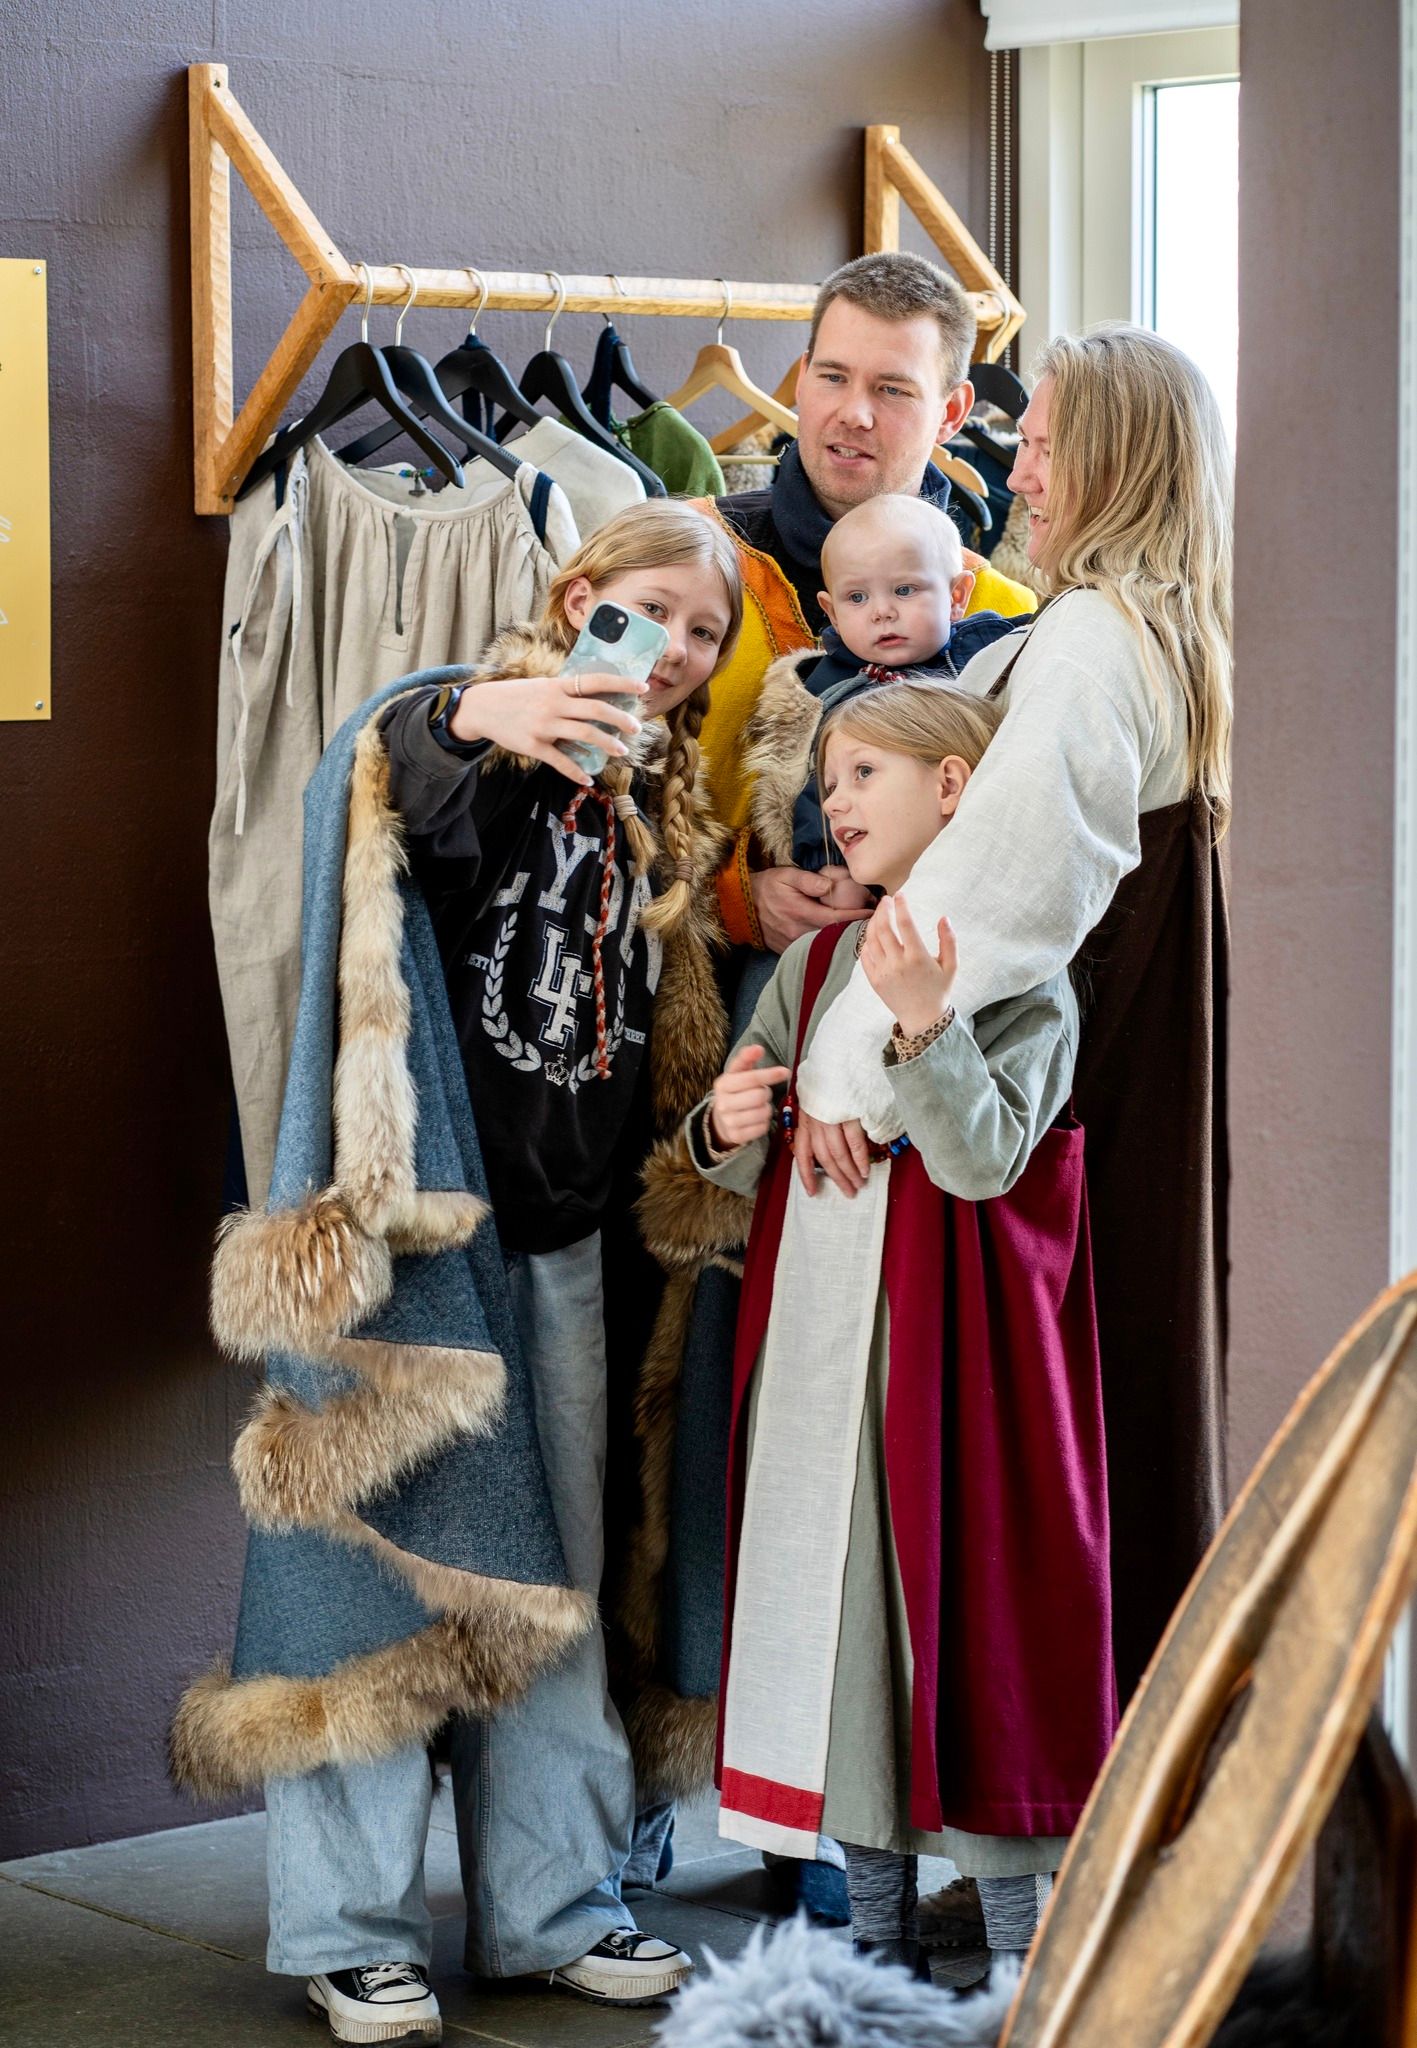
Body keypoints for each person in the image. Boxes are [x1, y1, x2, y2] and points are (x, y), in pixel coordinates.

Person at [260, 502, 741, 2044]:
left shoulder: (658, 809)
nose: (674, 649)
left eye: (706, 632)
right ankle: (348, 1929)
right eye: (652, 610)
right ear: (580, 595)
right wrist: (476, 710)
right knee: (378, 1574)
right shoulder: (483, 727)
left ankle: (551, 1907)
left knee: (559, 1588)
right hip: (428, 1242)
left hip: (573, 1249)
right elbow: (382, 773)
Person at [793, 324, 1234, 1718]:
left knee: (1061, 1439)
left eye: (1043, 444)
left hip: (1061, 1099)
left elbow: (999, 889)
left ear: (1111, 461)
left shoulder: (1094, 642)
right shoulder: (1164, 632)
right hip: (1144, 1074)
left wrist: (840, 1076)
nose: (1020, 473)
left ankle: (1070, 1773)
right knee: (1136, 1404)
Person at [688, 680, 1116, 1975]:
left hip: (955, 1363)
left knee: (969, 1630)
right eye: (826, 781)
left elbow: (985, 1161)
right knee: (841, 1641)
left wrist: (925, 1023)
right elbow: (736, 1139)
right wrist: (725, 1123)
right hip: (821, 1352)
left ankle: (1019, 1961)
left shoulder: (1017, 968)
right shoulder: (816, 963)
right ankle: (873, 1950)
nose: (834, 801)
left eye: (863, 772)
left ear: (953, 786)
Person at [698, 250, 1038, 958]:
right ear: (801, 381)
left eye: (891, 389)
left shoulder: (1004, 616)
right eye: (832, 377)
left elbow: (1030, 850)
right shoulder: (683, 561)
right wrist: (730, 897)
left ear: (950, 412)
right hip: (694, 1007)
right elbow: (579, 805)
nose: (852, 413)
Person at [774, 492, 1024, 874]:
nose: (882, 612)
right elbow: (820, 790)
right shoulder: (835, 692)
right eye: (857, 597)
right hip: (890, 873)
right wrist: (829, 865)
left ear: (956, 596)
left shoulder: (994, 651)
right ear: (832, 612)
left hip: (994, 849)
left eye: (904, 590)